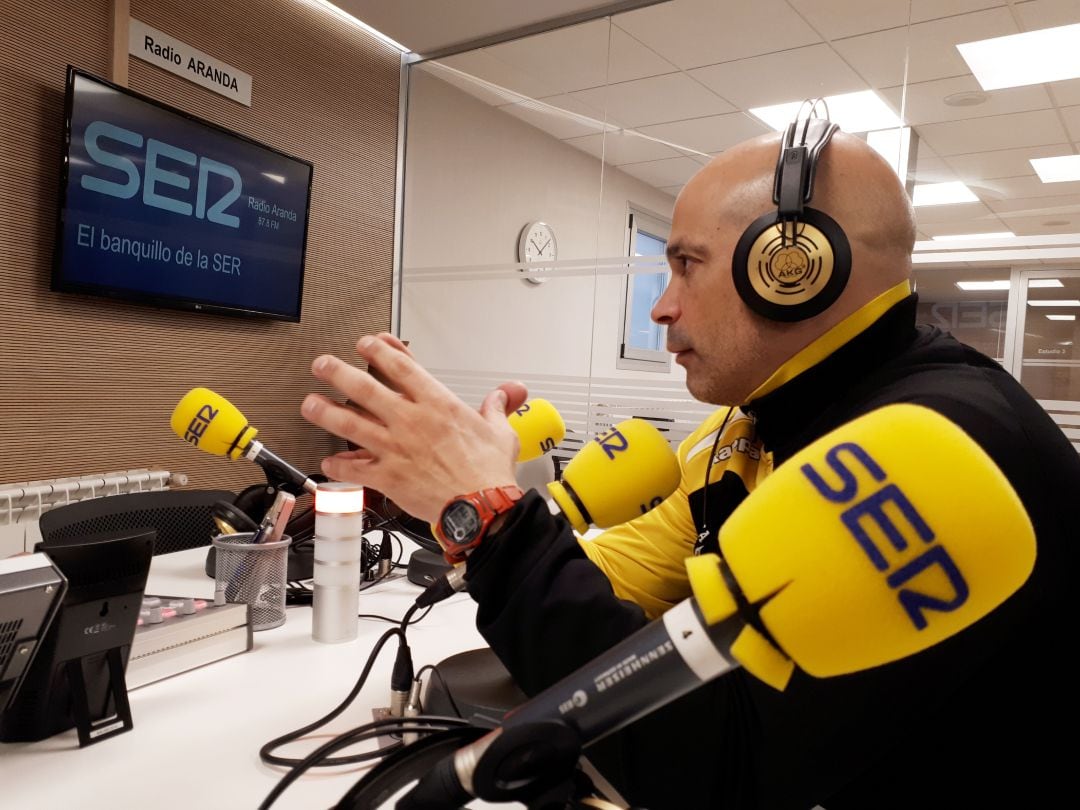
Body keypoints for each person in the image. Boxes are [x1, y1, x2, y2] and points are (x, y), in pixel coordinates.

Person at [300, 128, 1079, 809]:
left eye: (685, 265)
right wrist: (447, 502)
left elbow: (722, 772)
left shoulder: (937, 447)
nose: (660, 308)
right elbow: (618, 574)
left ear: (791, 268)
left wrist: (495, 522)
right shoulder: (749, 433)